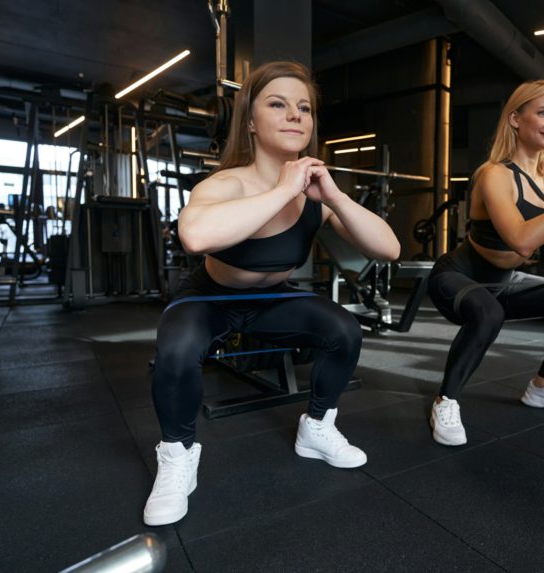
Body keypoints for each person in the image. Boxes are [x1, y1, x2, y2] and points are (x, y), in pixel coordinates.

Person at [143, 61, 400, 526]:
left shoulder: (315, 196)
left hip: (272, 298)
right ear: (250, 122)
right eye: (278, 104)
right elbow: (196, 238)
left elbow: (389, 249)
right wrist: (283, 190)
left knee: (343, 328)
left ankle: (317, 427)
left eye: (304, 108)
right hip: (209, 299)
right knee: (176, 350)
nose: (295, 115)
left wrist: (336, 198)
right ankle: (177, 455)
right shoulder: (227, 183)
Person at [426, 79, 544, 446]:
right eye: (543, 112)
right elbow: (521, 240)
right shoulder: (493, 174)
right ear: (515, 118)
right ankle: (445, 400)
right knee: (488, 313)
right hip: (458, 276)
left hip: (504, 281)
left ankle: (543, 386)